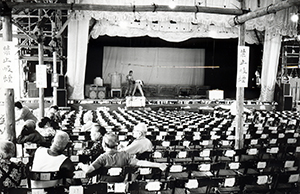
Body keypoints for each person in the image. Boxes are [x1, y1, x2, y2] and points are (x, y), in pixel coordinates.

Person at [77, 132, 167, 181]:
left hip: (103, 186)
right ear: (117, 144)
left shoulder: (102, 158)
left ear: (104, 145)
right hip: (121, 183)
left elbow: (88, 170)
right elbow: (140, 162)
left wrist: (81, 165)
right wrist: (158, 165)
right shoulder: (124, 155)